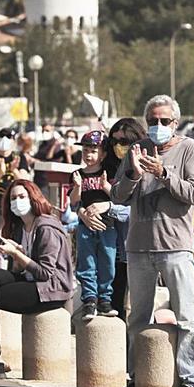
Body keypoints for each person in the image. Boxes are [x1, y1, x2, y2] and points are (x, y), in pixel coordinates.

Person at [109, 95, 194, 387]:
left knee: (187, 317)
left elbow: (193, 194)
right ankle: (138, 378)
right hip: (138, 246)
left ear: (176, 123)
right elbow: (118, 196)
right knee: (137, 316)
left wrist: (164, 173)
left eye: (164, 121)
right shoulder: (138, 149)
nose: (158, 126)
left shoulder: (189, 148)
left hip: (175, 245)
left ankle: (191, 381)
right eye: (153, 121)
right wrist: (134, 174)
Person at [0, 180, 74, 377]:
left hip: (50, 291)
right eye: (13, 198)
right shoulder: (21, 227)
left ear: (33, 199)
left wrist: (16, 254)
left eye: (22, 197)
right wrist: (16, 253)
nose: (17, 202)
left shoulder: (46, 227)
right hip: (33, 282)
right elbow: (22, 269)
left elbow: (45, 273)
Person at [70, 130, 119, 320]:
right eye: (85, 151)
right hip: (85, 225)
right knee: (86, 262)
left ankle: (105, 298)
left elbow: (116, 197)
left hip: (107, 225)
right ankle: (89, 298)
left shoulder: (108, 173)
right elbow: (74, 202)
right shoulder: (77, 174)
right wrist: (77, 187)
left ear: (103, 153)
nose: (88, 155)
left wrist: (105, 185)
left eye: (93, 151)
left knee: (108, 262)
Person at [105, 118, 144, 319]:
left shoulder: (145, 167)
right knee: (115, 303)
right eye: (114, 141)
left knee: (139, 305)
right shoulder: (107, 167)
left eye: (124, 141)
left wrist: (110, 206)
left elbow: (139, 208)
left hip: (137, 244)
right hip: (111, 246)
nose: (118, 147)